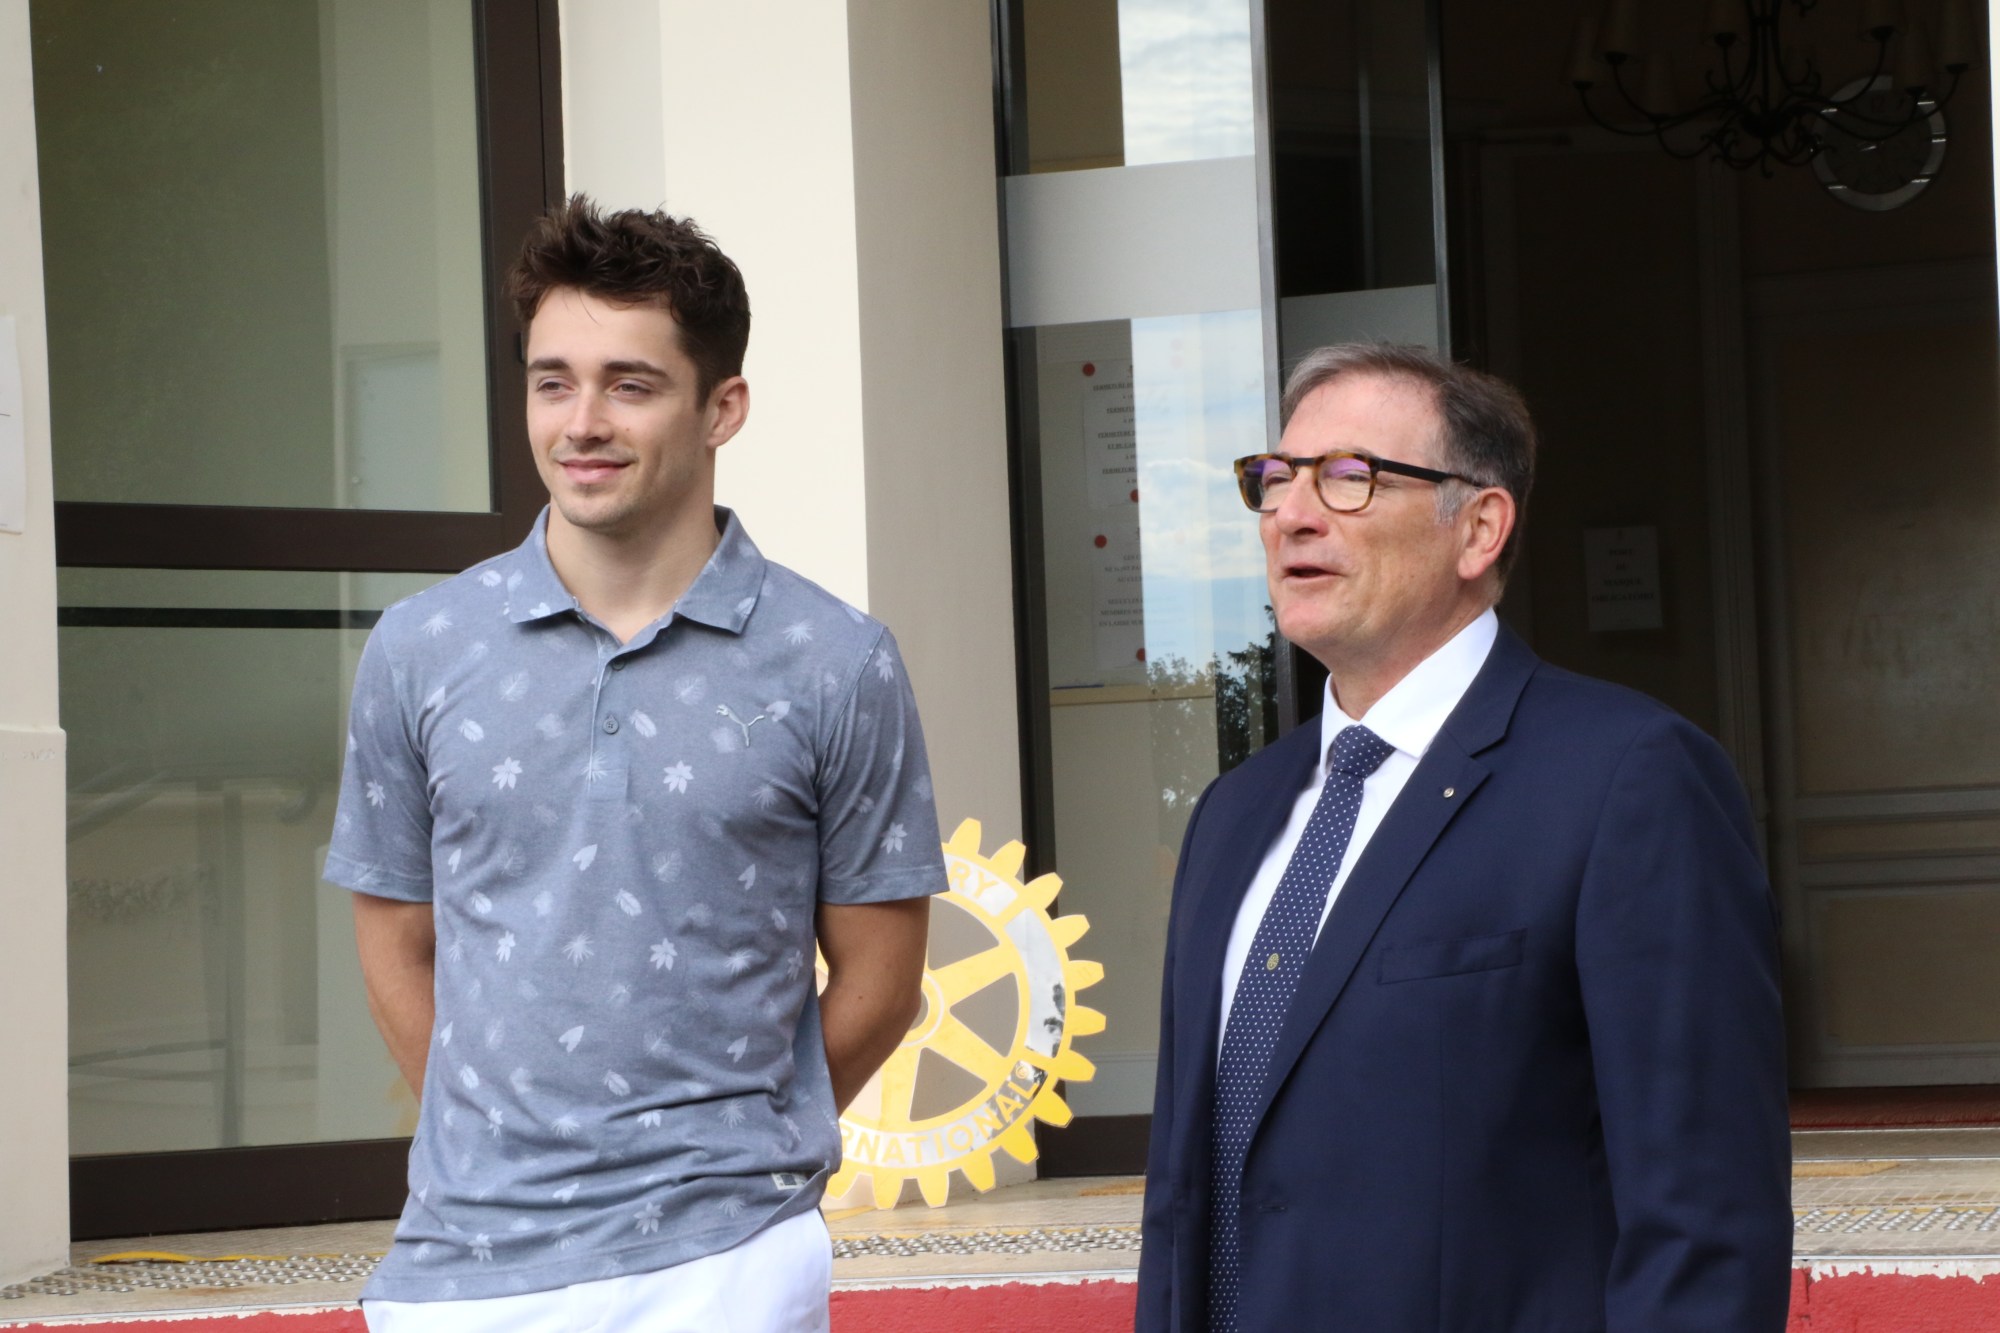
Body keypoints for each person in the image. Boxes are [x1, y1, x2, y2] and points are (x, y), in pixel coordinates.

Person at [324, 195, 942, 1332]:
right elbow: (394, 942)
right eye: (552, 381)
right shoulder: (420, 648)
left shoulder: (836, 662)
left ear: (722, 408)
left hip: (729, 1259)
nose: (582, 422)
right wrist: (496, 1139)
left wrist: (747, 1147)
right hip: (460, 1267)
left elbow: (882, 978)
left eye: (631, 385)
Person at [1136, 343, 1791, 1332]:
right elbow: (1184, 1198)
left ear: (1478, 527)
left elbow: (1703, 1213)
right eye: (1274, 478)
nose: (1291, 514)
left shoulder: (1627, 777)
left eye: (1347, 476)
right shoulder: (1234, 813)